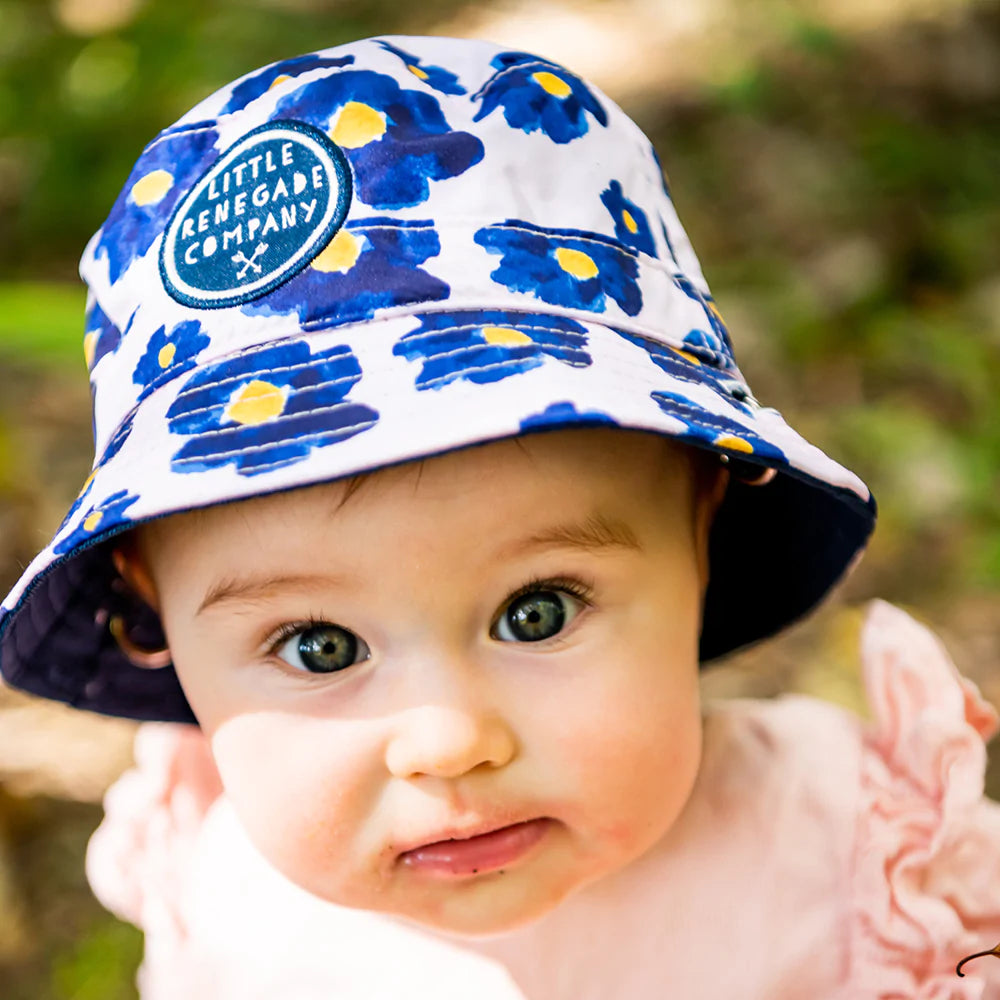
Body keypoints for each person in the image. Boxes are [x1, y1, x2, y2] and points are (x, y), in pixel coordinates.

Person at [1, 34, 999, 999]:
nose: (447, 738)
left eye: (538, 611)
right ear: (160, 618)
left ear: (702, 526)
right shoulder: (228, 905)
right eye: (316, 645)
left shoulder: (849, 862)